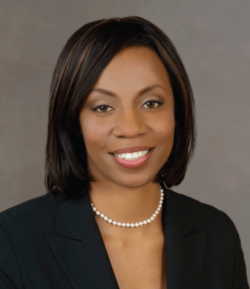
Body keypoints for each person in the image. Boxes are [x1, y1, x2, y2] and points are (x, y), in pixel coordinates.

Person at [0, 16, 248, 289]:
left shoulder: (216, 234)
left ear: (177, 111)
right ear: (73, 122)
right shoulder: (12, 243)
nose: (131, 128)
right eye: (103, 107)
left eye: (151, 102)